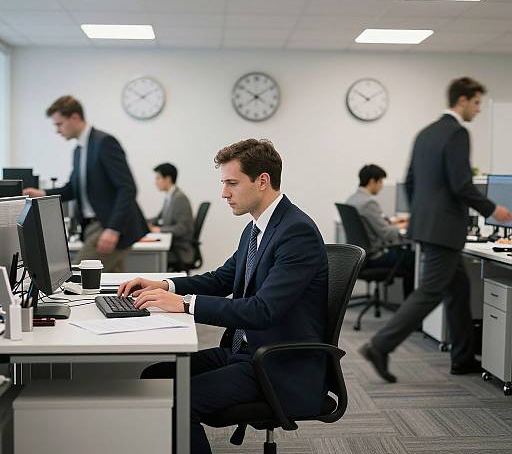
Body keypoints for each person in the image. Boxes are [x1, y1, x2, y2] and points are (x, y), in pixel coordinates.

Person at [118, 139, 328, 454]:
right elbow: (222, 279)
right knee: (154, 377)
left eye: (232, 183)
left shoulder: (296, 232)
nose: (224, 193)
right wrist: (165, 285)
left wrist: (185, 305)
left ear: (262, 181)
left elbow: (262, 311)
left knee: (177, 401)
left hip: (276, 364)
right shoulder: (256, 228)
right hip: (243, 351)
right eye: (223, 183)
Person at [360, 77, 512, 383]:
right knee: (430, 291)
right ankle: (380, 345)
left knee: (459, 290)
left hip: (428, 226)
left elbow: (412, 180)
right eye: (477, 103)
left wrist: (425, 214)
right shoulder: (457, 133)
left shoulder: (425, 133)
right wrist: (492, 210)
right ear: (463, 100)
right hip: (444, 230)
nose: (478, 110)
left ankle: (462, 358)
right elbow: (461, 184)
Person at [24, 95, 148, 272]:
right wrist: (42, 193)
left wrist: (113, 229)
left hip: (107, 225)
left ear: (74, 117)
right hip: (92, 227)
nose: (57, 131)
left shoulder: (104, 143)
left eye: (59, 124)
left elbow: (127, 188)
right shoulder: (79, 150)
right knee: (111, 286)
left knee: (77, 277)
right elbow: (72, 189)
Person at [346, 164, 414, 298]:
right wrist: (407, 226)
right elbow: (386, 233)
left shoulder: (353, 199)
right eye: (381, 182)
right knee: (412, 259)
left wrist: (395, 222)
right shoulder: (368, 202)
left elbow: (375, 224)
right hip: (375, 256)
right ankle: (410, 308)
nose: (382, 186)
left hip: (361, 255)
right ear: (372, 181)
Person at [148, 163, 194, 270]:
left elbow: (183, 228)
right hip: (173, 247)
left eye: (158, 178)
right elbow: (158, 218)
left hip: (179, 250)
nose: (155, 182)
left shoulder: (179, 198)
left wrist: (159, 230)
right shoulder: (170, 196)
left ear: (168, 179)